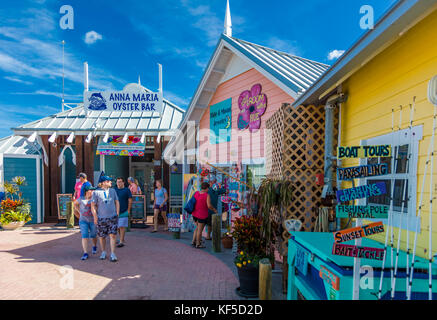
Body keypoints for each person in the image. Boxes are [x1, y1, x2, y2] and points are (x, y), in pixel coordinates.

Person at [91, 176, 120, 262]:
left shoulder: (113, 191)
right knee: (102, 236)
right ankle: (103, 252)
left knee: (113, 235)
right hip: (101, 218)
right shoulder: (96, 192)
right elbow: (93, 205)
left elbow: (117, 201)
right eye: (108, 181)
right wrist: (95, 217)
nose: (110, 182)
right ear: (103, 182)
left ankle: (113, 253)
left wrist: (117, 212)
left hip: (112, 217)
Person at [74, 184, 98, 260]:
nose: (92, 191)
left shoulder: (94, 199)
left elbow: (97, 207)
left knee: (93, 235)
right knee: (84, 236)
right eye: (91, 190)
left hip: (92, 220)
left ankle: (94, 246)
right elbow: (75, 204)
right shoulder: (81, 198)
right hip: (83, 220)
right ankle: (85, 253)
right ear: (87, 191)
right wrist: (79, 211)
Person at [191, 182, 218, 249]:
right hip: (202, 214)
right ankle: (198, 243)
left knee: (197, 228)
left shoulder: (196, 193)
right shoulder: (206, 195)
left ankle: (193, 241)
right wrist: (214, 210)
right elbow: (209, 205)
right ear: (207, 188)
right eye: (208, 188)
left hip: (195, 213)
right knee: (200, 230)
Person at [205, 176, 226, 240]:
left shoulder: (216, 189)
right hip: (208, 209)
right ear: (210, 182)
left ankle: (212, 236)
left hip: (214, 209)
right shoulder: (208, 189)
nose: (215, 183)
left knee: (212, 223)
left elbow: (224, 191)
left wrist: (220, 186)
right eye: (214, 182)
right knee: (208, 224)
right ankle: (208, 235)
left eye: (215, 182)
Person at [114, 177, 132, 248]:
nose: (118, 183)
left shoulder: (127, 190)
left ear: (123, 182)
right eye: (117, 182)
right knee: (118, 227)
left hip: (124, 211)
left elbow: (130, 200)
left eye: (120, 182)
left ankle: (121, 241)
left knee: (122, 226)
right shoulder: (114, 190)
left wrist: (128, 210)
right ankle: (122, 238)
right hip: (115, 211)